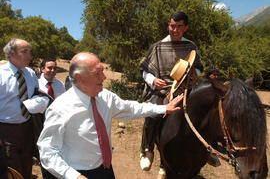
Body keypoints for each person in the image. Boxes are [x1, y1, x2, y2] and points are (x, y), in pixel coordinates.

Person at [37, 52, 184, 179]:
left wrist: (164, 107)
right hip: (77, 173)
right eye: (97, 73)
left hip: (106, 170)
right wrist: (73, 175)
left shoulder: (105, 97)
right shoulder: (60, 108)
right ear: (79, 77)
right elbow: (47, 151)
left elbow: (131, 108)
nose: (104, 77)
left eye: (102, 71)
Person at [139, 11, 204, 177]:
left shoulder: (191, 47)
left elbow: (198, 68)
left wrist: (190, 73)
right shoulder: (157, 47)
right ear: (168, 25)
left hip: (185, 89)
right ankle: (147, 150)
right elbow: (145, 71)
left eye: (179, 26)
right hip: (161, 89)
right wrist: (153, 80)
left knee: (204, 114)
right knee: (152, 115)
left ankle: (207, 150)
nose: (174, 30)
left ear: (186, 28)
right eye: (172, 26)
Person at [0, 38, 49, 179]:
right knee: (10, 170)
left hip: (27, 128)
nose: (30, 56)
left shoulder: (30, 73)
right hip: (5, 131)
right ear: (11, 53)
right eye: (24, 52)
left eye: (30, 52)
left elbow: (34, 94)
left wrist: (42, 101)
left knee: (27, 164)